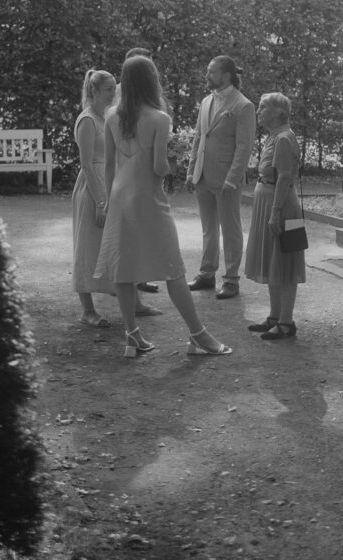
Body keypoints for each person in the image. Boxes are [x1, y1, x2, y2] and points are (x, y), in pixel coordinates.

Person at [94, 55, 231, 358]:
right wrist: (173, 159)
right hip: (147, 197)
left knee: (124, 266)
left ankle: (132, 338)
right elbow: (158, 168)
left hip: (118, 195)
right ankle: (198, 335)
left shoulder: (112, 114)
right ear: (151, 81)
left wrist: (105, 200)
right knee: (173, 267)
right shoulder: (159, 118)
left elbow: (109, 165)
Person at [72, 69, 161, 328]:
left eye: (115, 88)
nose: (114, 93)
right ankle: (88, 311)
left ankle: (135, 303)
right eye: (110, 89)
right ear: (95, 91)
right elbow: (87, 165)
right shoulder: (87, 120)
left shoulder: (111, 117)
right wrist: (101, 201)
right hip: (92, 189)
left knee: (121, 244)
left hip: (114, 184)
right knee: (87, 246)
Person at [186, 55, 256, 299]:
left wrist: (232, 179)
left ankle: (232, 279)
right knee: (208, 229)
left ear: (226, 75)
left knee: (231, 229)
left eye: (211, 72)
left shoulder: (243, 105)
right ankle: (207, 274)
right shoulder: (206, 101)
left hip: (226, 179)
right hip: (203, 175)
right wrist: (191, 169)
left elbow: (244, 147)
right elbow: (199, 137)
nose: (207, 76)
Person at [244, 92, 305, 340]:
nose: (258, 112)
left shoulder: (283, 139)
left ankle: (286, 322)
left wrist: (275, 212)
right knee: (273, 260)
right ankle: (275, 316)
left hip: (281, 206)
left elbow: (285, 177)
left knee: (285, 262)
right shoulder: (274, 136)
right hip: (270, 203)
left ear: (279, 113)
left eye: (262, 108)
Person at [113, 45, 159, 295]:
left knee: (140, 229)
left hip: (134, 169)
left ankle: (139, 278)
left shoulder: (151, 99)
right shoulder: (120, 95)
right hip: (131, 168)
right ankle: (129, 280)